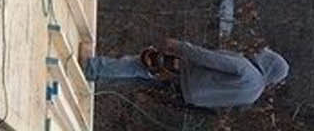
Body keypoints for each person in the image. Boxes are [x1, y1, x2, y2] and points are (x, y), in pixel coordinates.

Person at [84, 37, 289, 110]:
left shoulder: (246, 69)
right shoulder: (253, 94)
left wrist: (180, 47)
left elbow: (209, 59)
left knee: (138, 65)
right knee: (137, 81)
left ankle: (93, 68)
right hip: (186, 98)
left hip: (184, 74)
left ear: (269, 63)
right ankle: (94, 82)